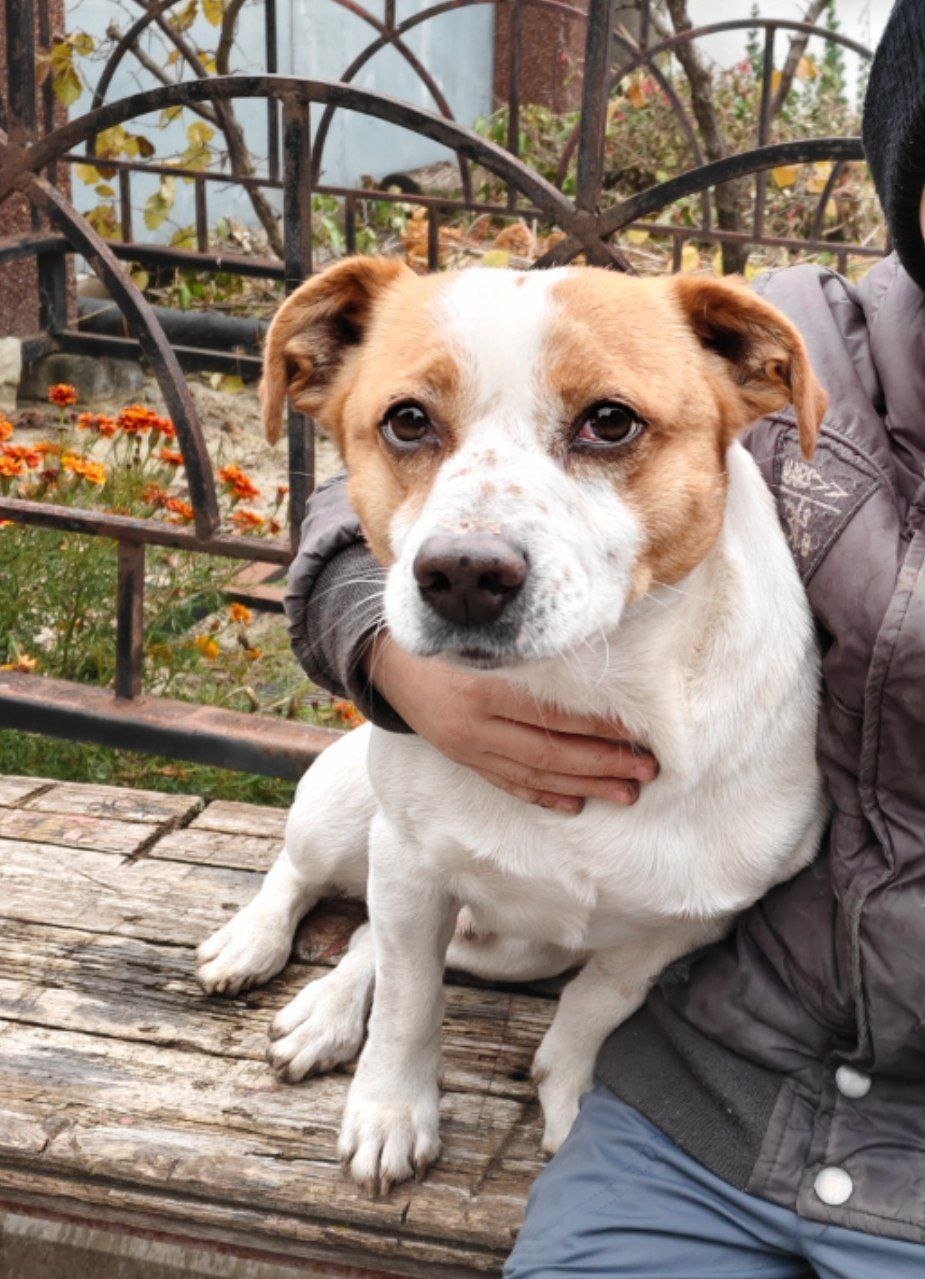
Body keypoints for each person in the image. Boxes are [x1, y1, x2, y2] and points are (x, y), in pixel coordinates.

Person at [283, 2, 925, 1273]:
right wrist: (388, 650)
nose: (473, 544)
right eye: (416, 428)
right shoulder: (792, 344)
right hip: (729, 1071)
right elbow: (350, 506)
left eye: (607, 430)